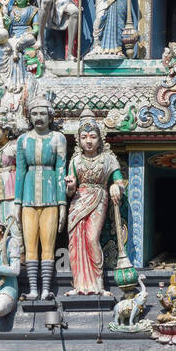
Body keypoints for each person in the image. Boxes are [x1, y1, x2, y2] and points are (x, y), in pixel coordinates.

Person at [14, 95, 67, 301]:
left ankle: (46, 288)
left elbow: (61, 171)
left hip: (51, 197)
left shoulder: (57, 138)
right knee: (30, 246)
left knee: (48, 245)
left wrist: (62, 205)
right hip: (27, 199)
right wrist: (16, 203)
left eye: (43, 113)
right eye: (35, 113)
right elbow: (20, 172)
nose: (38, 117)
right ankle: (33, 288)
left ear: (50, 116)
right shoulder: (23, 140)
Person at [66, 117, 124, 294]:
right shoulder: (75, 161)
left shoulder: (108, 159)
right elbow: (70, 192)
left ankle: (97, 284)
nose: (88, 141)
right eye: (84, 137)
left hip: (98, 197)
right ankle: (79, 284)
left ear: (100, 139)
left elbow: (120, 182)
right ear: (79, 140)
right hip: (78, 201)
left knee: (91, 239)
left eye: (92, 137)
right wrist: (70, 186)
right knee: (76, 242)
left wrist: (115, 186)